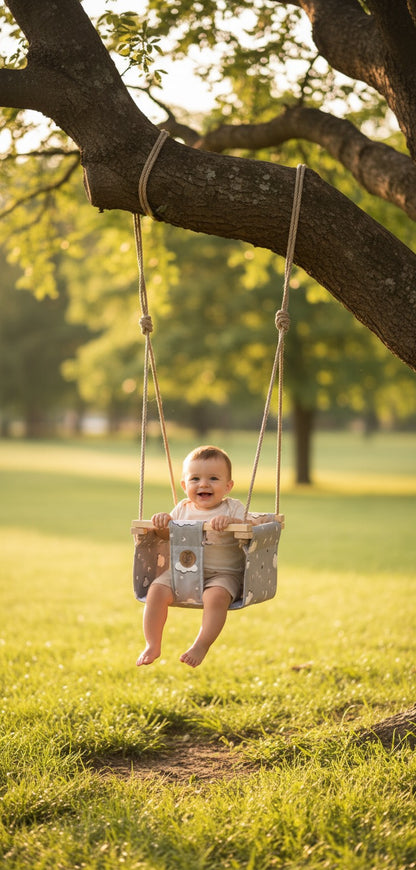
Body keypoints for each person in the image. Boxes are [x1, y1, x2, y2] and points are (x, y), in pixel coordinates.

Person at [136, 445, 273, 668]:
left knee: (215, 597)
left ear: (228, 486)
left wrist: (232, 522)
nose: (203, 484)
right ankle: (152, 644)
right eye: (195, 479)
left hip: (223, 574)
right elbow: (165, 536)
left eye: (213, 478)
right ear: (184, 485)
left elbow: (248, 528)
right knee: (156, 591)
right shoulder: (182, 509)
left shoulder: (233, 508)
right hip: (182, 571)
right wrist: (162, 524)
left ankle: (201, 644)